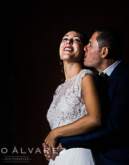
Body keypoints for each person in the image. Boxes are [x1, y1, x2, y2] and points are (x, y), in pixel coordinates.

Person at [45, 27, 129, 165]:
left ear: (104, 52)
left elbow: (113, 126)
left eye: (90, 45)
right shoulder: (96, 80)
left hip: (127, 160)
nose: (85, 48)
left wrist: (64, 139)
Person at [43, 30, 102, 165]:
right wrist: (50, 143)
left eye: (76, 40)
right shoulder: (60, 88)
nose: (68, 41)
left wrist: (54, 133)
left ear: (84, 50)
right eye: (65, 38)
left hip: (78, 155)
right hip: (58, 158)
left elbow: (95, 118)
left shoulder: (86, 77)